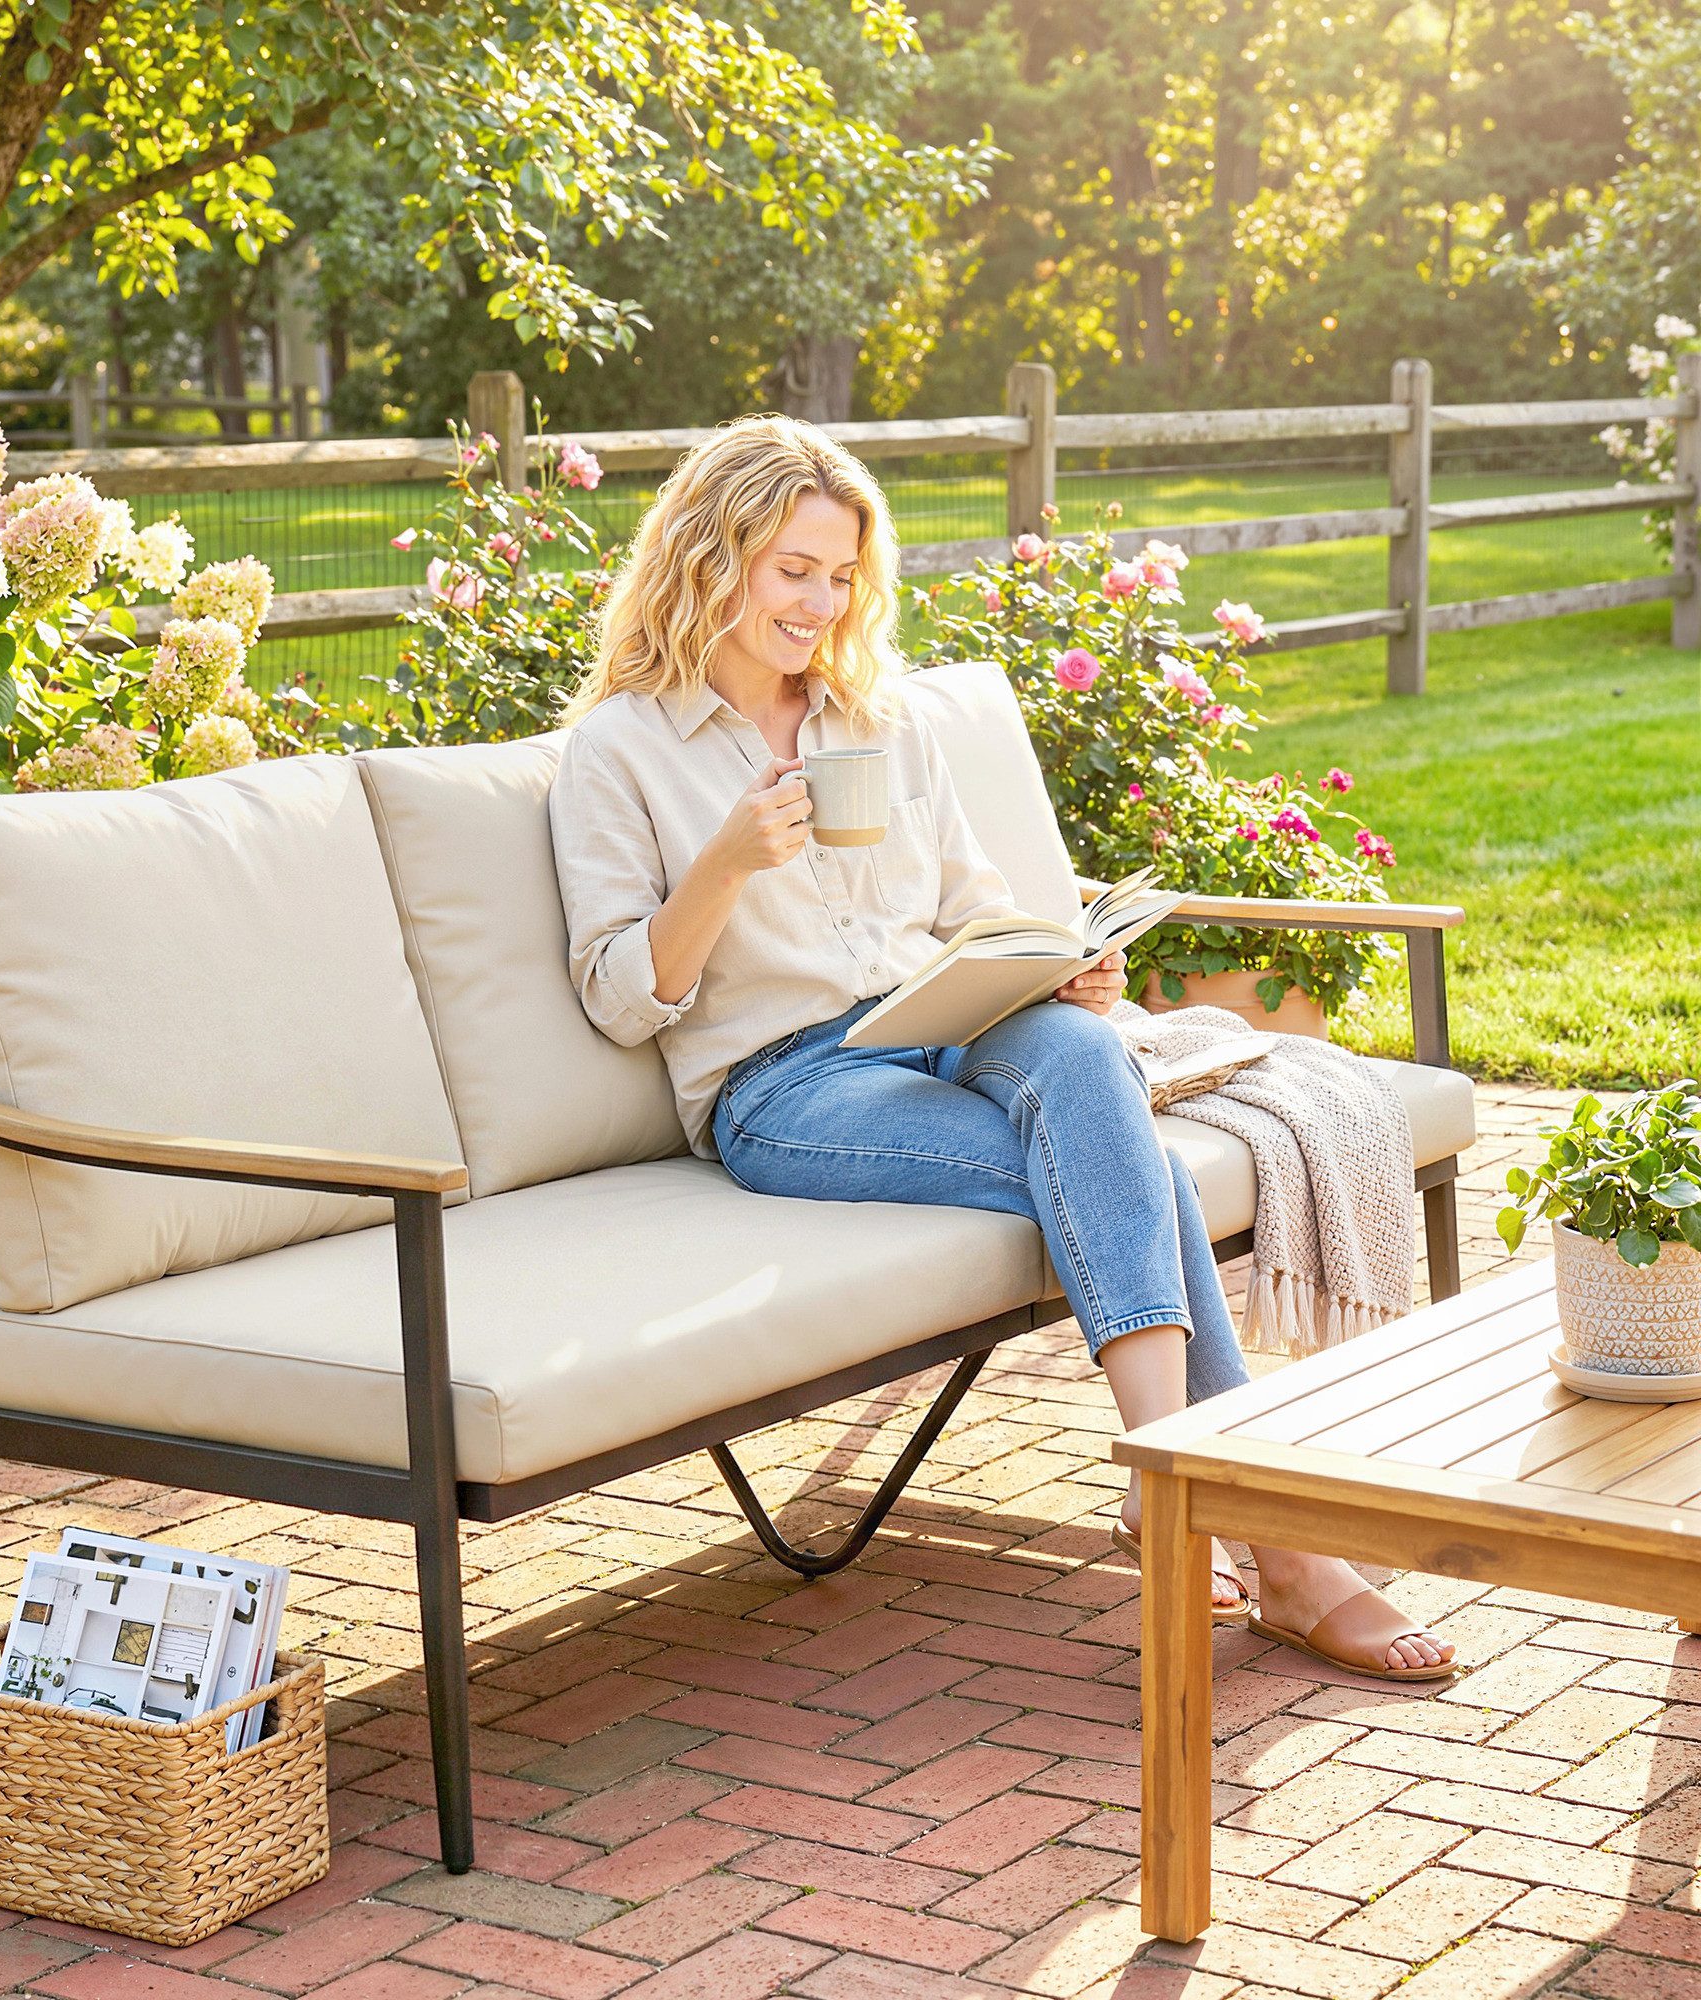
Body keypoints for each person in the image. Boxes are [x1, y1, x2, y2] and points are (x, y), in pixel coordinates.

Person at [547, 415, 1453, 1681]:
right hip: (784, 1083)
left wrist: (1059, 963)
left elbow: (975, 907)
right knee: (1124, 1157)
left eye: (839, 574)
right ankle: (1266, 1534)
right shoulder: (620, 747)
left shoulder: (876, 717)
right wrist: (723, 865)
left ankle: (1171, 1480)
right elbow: (616, 997)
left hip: (944, 1022)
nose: (820, 603)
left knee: (1080, 1056)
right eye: (792, 569)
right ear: (709, 556)